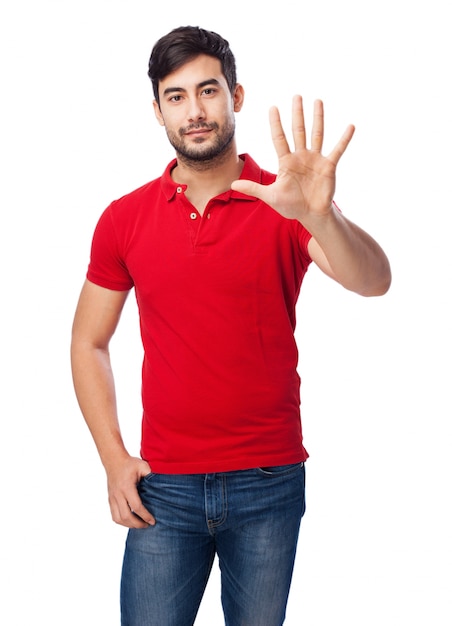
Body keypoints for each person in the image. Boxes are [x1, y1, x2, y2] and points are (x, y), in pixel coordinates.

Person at [70, 25, 391, 626]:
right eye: (176, 96)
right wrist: (114, 460)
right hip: (163, 488)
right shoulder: (123, 219)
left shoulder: (286, 202)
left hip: (269, 484)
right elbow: (88, 342)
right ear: (159, 110)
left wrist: (322, 218)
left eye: (209, 91)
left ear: (235, 97)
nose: (195, 111)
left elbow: (373, 280)